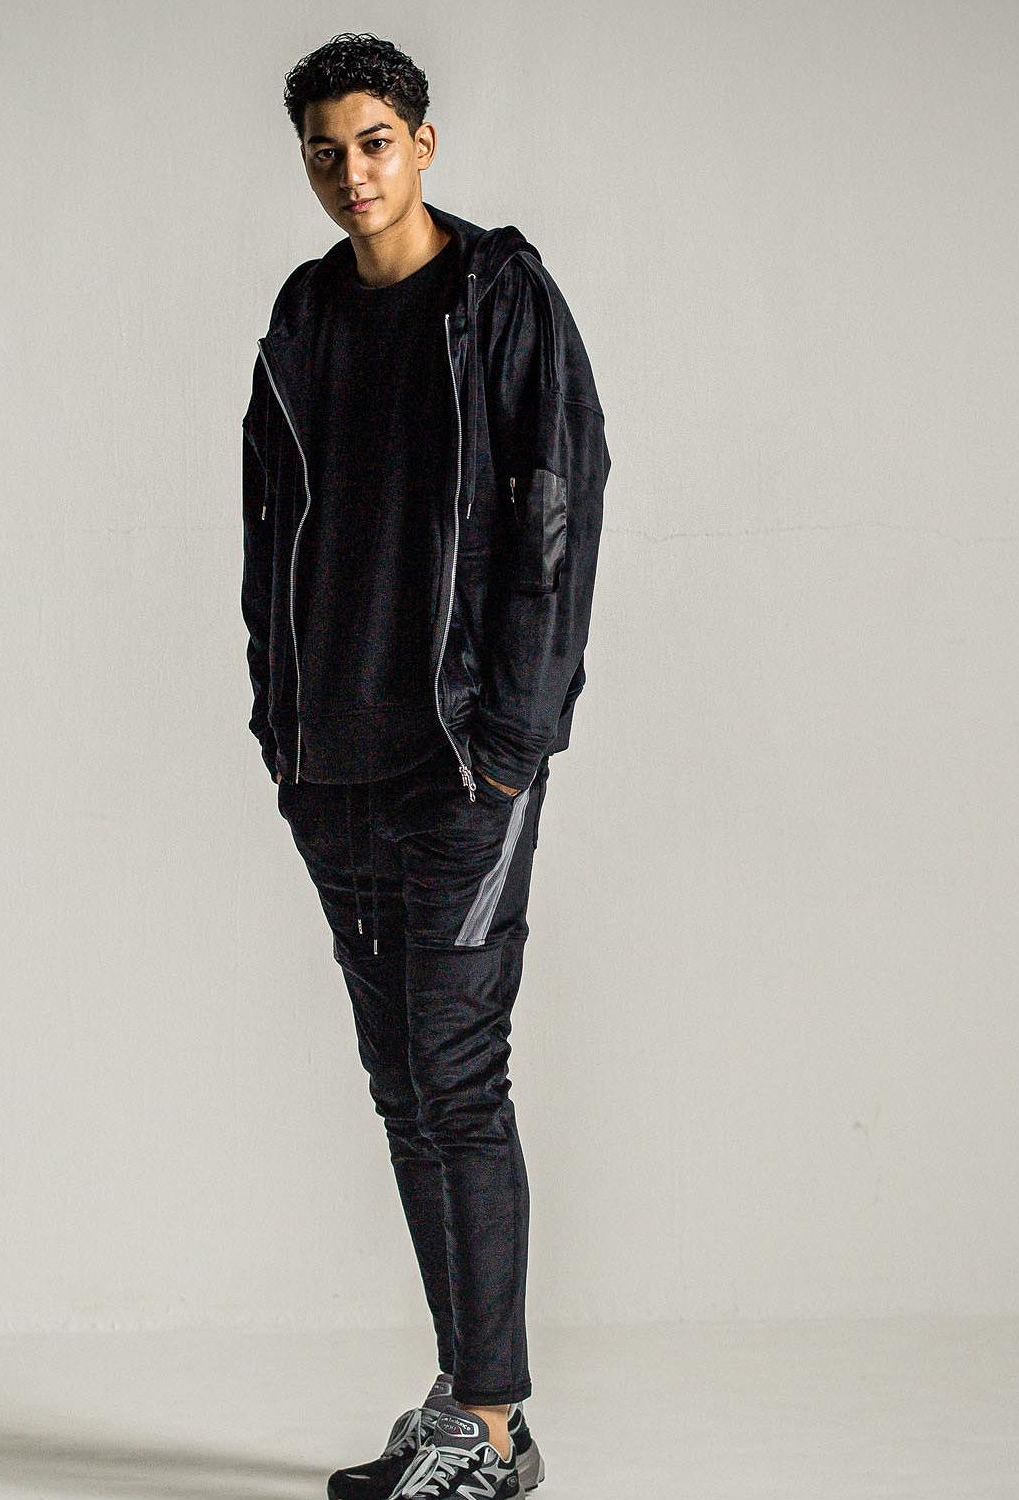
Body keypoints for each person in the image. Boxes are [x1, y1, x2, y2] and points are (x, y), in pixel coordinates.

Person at [239, 31, 609, 1500]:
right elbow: (267, 523)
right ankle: (466, 1397)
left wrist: (517, 738)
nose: (352, 171)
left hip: (463, 764)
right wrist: (278, 722)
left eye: (375, 141)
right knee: (403, 1085)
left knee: (456, 1078)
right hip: (333, 765)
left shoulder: (497, 298)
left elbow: (560, 505)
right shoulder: (304, 313)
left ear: (424, 144)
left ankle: (497, 1430)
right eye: (326, 150)